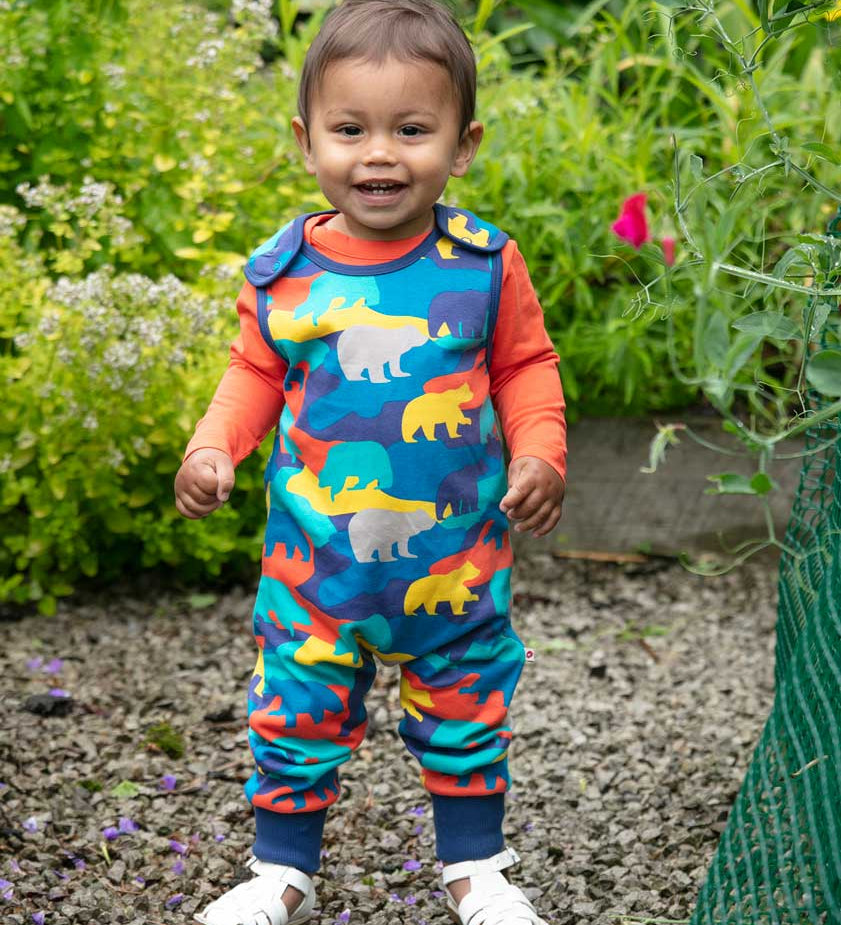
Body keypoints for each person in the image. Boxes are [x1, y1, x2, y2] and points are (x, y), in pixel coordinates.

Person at [175, 1, 566, 922]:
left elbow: (524, 365)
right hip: (318, 565)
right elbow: (251, 375)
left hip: (454, 559)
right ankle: (279, 870)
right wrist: (212, 444)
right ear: (307, 140)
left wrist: (541, 449)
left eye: (412, 129)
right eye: (351, 130)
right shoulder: (283, 274)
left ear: (461, 146)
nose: (379, 153)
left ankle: (477, 871)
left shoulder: (481, 265)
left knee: (467, 702)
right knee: (296, 705)